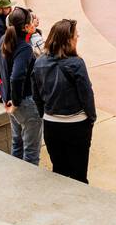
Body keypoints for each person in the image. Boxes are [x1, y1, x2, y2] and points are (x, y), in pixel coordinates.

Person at [32, 19, 96, 183]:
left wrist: (45, 115)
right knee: (79, 174)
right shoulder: (76, 63)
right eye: (75, 35)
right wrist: (91, 118)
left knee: (59, 171)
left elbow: (37, 95)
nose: (78, 37)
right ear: (68, 40)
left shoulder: (39, 62)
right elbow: (86, 95)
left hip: (51, 125)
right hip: (77, 125)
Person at [0, 7, 40, 165]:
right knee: (31, 151)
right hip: (25, 103)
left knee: (17, 143)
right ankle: (27, 185)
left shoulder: (5, 38)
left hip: (10, 99)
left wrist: (4, 82)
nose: (34, 23)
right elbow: (17, 77)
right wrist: (16, 102)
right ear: (26, 27)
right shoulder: (24, 48)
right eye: (31, 21)